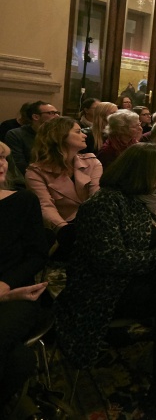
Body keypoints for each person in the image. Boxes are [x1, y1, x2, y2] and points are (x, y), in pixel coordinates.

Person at [54, 143, 156, 417]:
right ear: (146, 171)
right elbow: (108, 259)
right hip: (105, 289)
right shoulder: (105, 203)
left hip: (148, 279)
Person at [0, 140, 49, 413]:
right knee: (19, 360)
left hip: (18, 291)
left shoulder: (22, 201)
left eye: (3, 158)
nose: (1, 164)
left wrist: (5, 286)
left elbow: (36, 255)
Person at [25, 117, 102, 256]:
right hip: (61, 231)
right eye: (78, 132)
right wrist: (63, 229)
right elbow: (45, 205)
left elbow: (97, 196)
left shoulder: (92, 162)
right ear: (60, 136)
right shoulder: (36, 172)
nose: (84, 135)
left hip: (93, 224)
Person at [6, 101, 61, 172]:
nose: (57, 116)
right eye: (52, 113)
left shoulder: (58, 134)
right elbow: (19, 164)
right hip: (29, 177)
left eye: (57, 113)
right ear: (36, 117)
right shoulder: (15, 134)